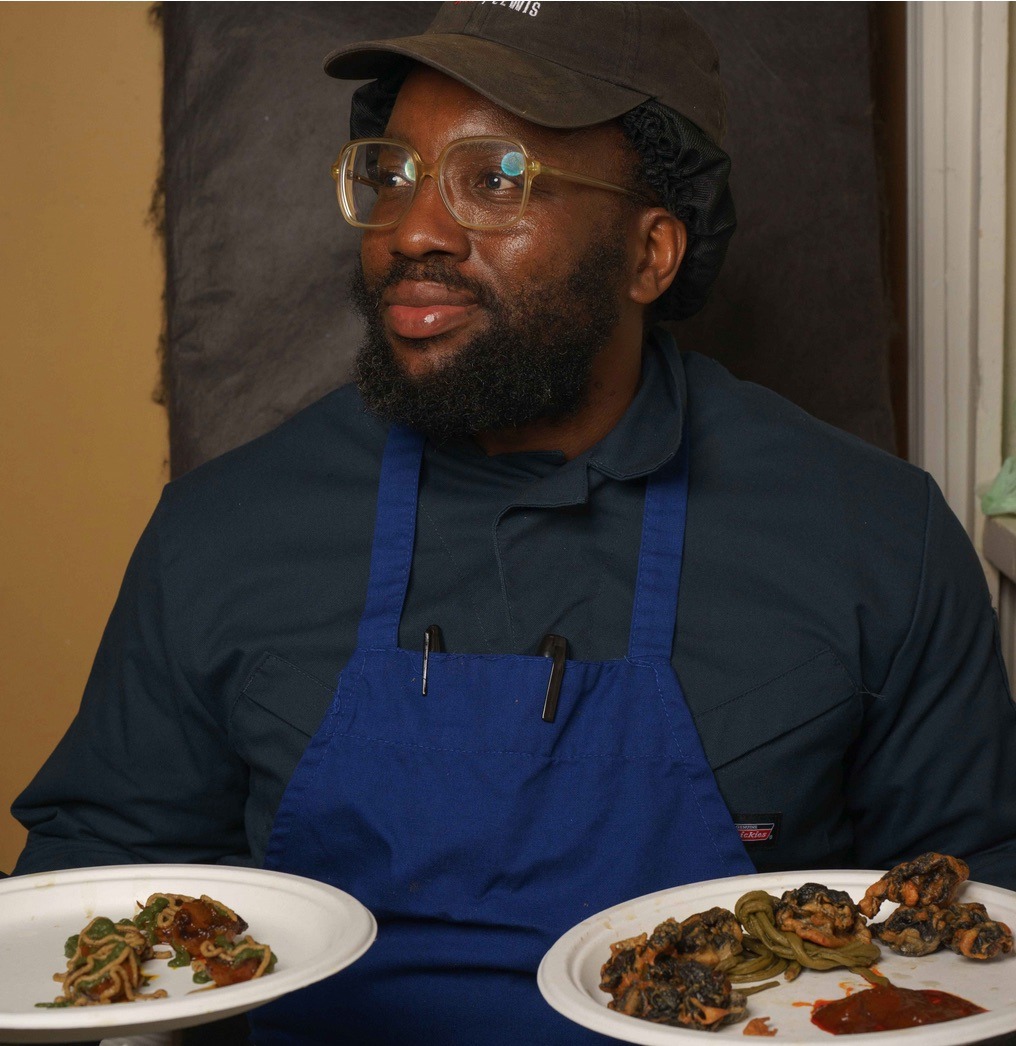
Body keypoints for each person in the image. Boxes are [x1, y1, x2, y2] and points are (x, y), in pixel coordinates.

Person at [12, 3, 1016, 1043]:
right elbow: (96, 893)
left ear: (649, 254)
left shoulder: (872, 534)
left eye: (495, 180)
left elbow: (972, 914)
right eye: (390, 173)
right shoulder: (223, 530)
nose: (411, 230)